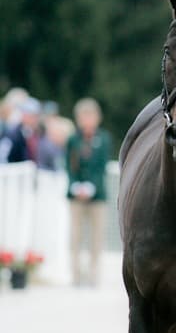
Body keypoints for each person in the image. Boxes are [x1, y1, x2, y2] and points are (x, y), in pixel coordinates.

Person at [66, 98, 111, 287]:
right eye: (83, 116)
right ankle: (76, 274)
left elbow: (101, 167)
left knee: (96, 237)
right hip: (76, 196)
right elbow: (69, 165)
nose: (87, 120)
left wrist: (91, 187)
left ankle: (94, 274)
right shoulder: (73, 139)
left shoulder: (104, 139)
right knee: (75, 236)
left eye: (90, 116)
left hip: (97, 196)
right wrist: (76, 186)